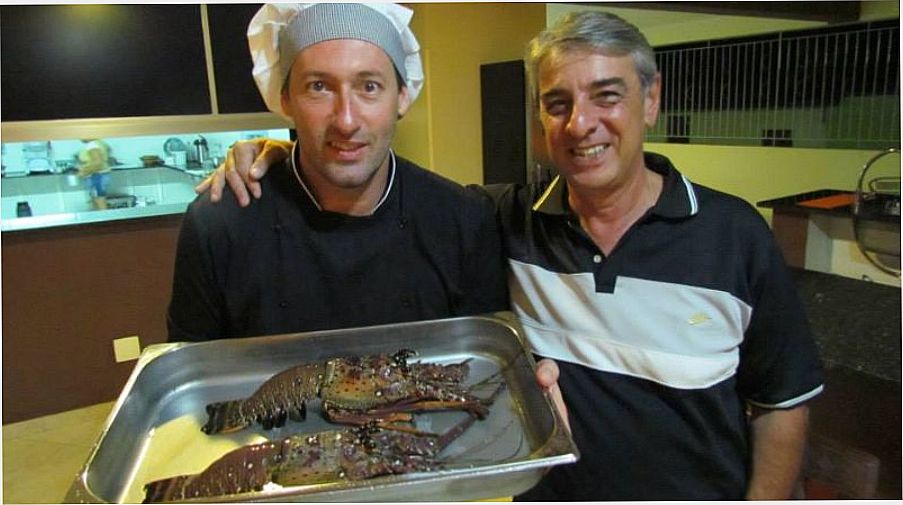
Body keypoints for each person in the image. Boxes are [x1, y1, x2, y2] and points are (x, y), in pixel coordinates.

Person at [200, 9, 824, 501]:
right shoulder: (507, 220)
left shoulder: (735, 236)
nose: (581, 124)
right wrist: (280, 156)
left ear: (651, 99)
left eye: (607, 95)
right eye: (557, 103)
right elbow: (377, 192)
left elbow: (783, 404)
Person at [167, 3, 509, 343]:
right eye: (319, 86)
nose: (346, 121)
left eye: (369, 86)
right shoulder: (220, 227)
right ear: (285, 99)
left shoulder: (463, 221)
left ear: (402, 97)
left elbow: (486, 363)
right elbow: (193, 370)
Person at [78, 138, 112, 210]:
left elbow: (97, 162)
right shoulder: (100, 143)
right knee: (98, 199)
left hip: (96, 176)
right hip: (99, 175)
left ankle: (102, 216)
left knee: (99, 201)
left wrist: (84, 172)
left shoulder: (92, 145)